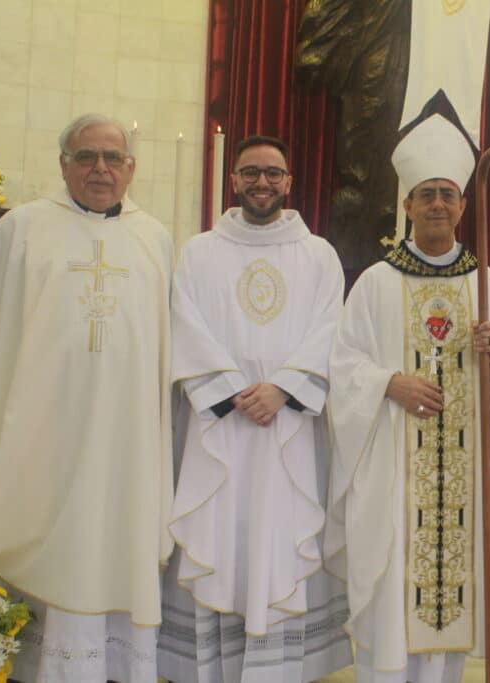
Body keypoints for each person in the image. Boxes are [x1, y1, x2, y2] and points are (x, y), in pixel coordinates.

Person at [0, 113, 174, 682]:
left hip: (125, 434)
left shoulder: (155, 239)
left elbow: (166, 349)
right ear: (63, 164)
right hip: (41, 431)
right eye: (86, 156)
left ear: (131, 168)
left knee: (117, 524)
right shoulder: (21, 229)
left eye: (113, 158)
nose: (100, 169)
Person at [325, 100, 490, 683]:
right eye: (426, 194)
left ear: (463, 206)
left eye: (447, 194)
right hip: (393, 469)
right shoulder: (375, 283)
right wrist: (389, 383)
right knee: (395, 593)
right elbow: (343, 364)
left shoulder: (489, 285)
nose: (437, 204)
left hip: (465, 471)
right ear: (408, 206)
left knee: (453, 599)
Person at [158, 135, 352, 682]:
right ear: (233, 180)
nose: (261, 182)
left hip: (288, 427)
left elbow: (332, 327)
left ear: (289, 181)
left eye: (272, 173)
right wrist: (230, 390)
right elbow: (184, 322)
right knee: (218, 535)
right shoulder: (200, 251)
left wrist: (283, 388)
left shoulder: (318, 254)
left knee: (281, 533)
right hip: (219, 425)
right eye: (250, 172)